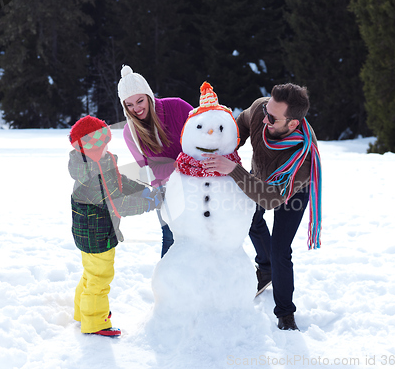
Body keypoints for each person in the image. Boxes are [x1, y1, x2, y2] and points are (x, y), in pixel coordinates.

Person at [201, 83, 322, 331]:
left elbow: (271, 199)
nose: (265, 118)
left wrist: (233, 170)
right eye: (266, 109)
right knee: (251, 220)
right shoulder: (260, 110)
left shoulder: (304, 159)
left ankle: (285, 314)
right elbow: (242, 123)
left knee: (280, 250)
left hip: (291, 192)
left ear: (292, 124)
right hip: (259, 177)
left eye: (272, 117)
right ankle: (266, 269)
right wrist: (231, 148)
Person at [69, 115, 161, 337]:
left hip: (92, 231)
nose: (107, 146)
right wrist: (150, 203)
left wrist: (143, 189)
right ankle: (95, 322)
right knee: (100, 278)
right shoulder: (91, 176)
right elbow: (118, 205)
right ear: (90, 146)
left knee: (91, 274)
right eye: (103, 142)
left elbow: (119, 182)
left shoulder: (100, 162)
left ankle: (82, 312)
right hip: (96, 234)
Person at [117, 65, 193, 257]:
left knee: (201, 234)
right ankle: (167, 285)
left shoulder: (177, 107)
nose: (136, 108)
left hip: (197, 181)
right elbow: (147, 171)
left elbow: (205, 135)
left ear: (149, 95)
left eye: (140, 100)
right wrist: (175, 165)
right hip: (166, 189)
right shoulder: (130, 132)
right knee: (170, 235)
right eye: (129, 105)